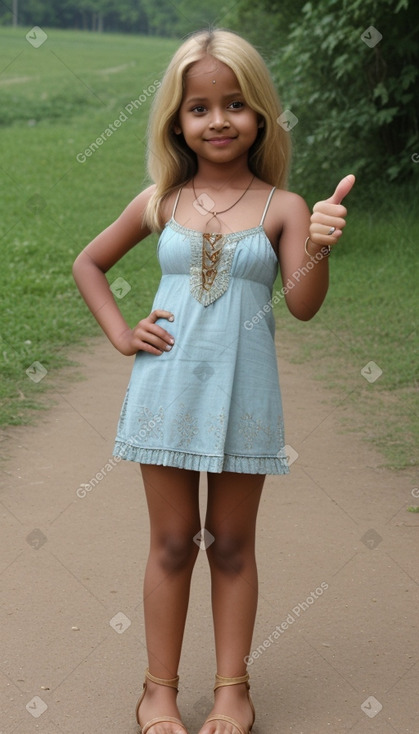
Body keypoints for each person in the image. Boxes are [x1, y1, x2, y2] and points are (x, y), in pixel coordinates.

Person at [73, 27, 355, 734]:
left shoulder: (282, 207)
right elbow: (88, 264)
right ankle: (157, 692)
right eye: (199, 107)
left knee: (229, 544)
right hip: (164, 394)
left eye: (234, 103)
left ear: (259, 113)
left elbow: (302, 305)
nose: (218, 119)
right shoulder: (162, 199)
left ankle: (233, 690)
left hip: (243, 401)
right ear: (177, 119)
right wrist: (118, 331)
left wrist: (317, 246)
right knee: (171, 543)